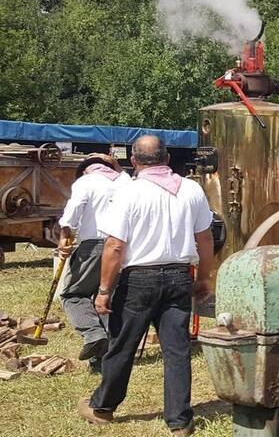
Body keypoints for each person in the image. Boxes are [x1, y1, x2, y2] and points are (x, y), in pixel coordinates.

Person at [77, 136, 214, 436]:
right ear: (166, 158)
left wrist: (103, 290)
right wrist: (204, 277)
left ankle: (103, 407)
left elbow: (114, 247)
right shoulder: (191, 189)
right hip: (179, 277)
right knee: (177, 351)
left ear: (135, 162)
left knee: (121, 346)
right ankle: (179, 421)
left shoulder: (128, 192)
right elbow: (205, 238)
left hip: (139, 279)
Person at [57, 153, 131, 372]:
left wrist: (64, 235)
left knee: (73, 295)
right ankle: (102, 359)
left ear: (85, 170)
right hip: (123, 247)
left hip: (94, 246)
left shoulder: (85, 182)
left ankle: (93, 334)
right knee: (107, 298)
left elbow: (71, 214)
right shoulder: (127, 181)